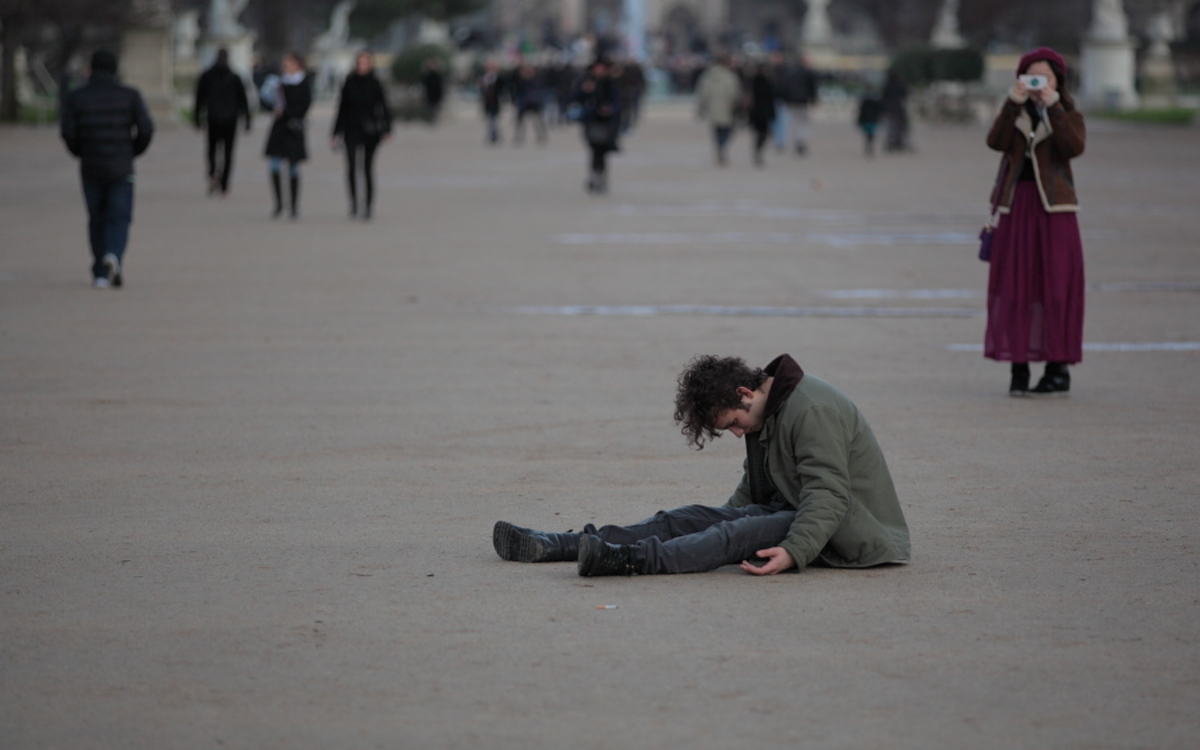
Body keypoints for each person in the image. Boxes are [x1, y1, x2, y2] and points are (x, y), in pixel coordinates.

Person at [493, 354, 911, 577]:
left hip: (848, 531)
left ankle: (627, 560)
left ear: (745, 392)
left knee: (734, 533)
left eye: (732, 424)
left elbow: (829, 494)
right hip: (799, 511)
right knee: (687, 518)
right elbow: (756, 488)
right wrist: (715, 520)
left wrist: (793, 551)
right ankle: (562, 544)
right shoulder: (769, 409)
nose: (735, 434)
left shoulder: (811, 408)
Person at [984, 47, 1086, 397]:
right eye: (1031, 77)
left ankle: (1058, 369)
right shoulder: (1016, 112)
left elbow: (1073, 146)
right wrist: (1012, 104)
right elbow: (994, 142)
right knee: (1015, 289)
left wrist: (1053, 107)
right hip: (1017, 207)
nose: (1037, 84)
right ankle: (1018, 367)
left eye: (1046, 77)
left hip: (1055, 210)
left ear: (1058, 81)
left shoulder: (1067, 112)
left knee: (1057, 288)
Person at [60, 49, 154, 289]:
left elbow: (67, 131)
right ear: (115, 69)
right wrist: (132, 151)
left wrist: (80, 151)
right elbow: (146, 129)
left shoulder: (76, 96)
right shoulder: (130, 95)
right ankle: (114, 253)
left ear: (91, 68)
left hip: (91, 165)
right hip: (122, 166)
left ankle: (100, 273)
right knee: (120, 216)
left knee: (96, 217)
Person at [332, 50, 393, 220]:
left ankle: (368, 205)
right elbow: (342, 108)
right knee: (351, 166)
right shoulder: (349, 82)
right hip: (351, 129)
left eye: (366, 62)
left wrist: (387, 129)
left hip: (370, 131)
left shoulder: (375, 83)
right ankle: (353, 203)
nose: (362, 66)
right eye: (360, 62)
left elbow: (384, 107)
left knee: (367, 168)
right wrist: (335, 132)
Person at [193, 49, 251, 196]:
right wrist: (247, 120)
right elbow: (243, 101)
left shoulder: (206, 76)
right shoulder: (234, 77)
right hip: (230, 119)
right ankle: (224, 184)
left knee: (212, 149)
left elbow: (199, 99)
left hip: (213, 117)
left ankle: (213, 172)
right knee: (228, 152)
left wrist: (197, 118)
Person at [262, 51, 312, 220]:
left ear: (298, 64)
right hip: (279, 129)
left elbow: (304, 106)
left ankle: (294, 206)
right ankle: (278, 204)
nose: (286, 66)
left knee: (293, 168)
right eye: (285, 63)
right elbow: (267, 101)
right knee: (274, 166)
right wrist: (272, 108)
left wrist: (285, 112)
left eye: (289, 62)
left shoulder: (303, 83)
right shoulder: (277, 82)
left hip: (294, 129)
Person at [574, 58, 621, 195]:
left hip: (606, 122)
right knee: (594, 150)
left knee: (602, 152)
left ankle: (600, 177)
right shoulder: (586, 82)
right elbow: (575, 98)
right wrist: (586, 91)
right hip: (591, 121)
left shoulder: (611, 83)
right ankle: (595, 177)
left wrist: (610, 109)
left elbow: (617, 102)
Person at [694, 54, 742, 166]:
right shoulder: (730, 77)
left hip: (714, 110)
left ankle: (720, 146)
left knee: (718, 131)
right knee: (727, 131)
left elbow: (702, 94)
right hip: (727, 109)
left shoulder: (708, 76)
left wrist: (701, 109)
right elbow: (735, 94)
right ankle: (722, 146)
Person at [779, 54, 818, 155]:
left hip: (791, 101)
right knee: (804, 123)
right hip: (802, 101)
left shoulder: (790, 72)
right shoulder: (807, 72)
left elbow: (784, 87)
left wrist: (785, 99)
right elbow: (812, 88)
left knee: (794, 123)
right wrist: (814, 100)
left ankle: (796, 141)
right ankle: (800, 141)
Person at [510, 61, 548, 145]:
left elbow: (542, 87)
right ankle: (519, 137)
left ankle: (541, 136)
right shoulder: (519, 80)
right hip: (523, 102)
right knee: (520, 122)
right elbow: (513, 86)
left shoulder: (537, 79)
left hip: (535, 102)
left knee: (538, 121)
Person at [746, 61, 776, 167]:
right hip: (763, 113)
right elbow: (771, 99)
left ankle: (757, 150)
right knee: (763, 134)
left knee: (759, 134)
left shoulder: (752, 81)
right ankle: (758, 150)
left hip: (755, 113)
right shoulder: (767, 82)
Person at [881, 67, 910, 153]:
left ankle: (893, 143)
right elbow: (905, 94)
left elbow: (883, 97)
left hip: (890, 108)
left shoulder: (887, 84)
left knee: (892, 127)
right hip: (898, 108)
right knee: (899, 127)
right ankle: (897, 142)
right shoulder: (900, 83)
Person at [856, 90, 883, 157]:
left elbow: (861, 112)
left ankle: (869, 145)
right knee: (871, 134)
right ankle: (870, 145)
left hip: (866, 120)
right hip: (872, 120)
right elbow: (880, 111)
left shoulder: (865, 102)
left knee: (868, 134)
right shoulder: (877, 102)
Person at [421, 57, 445, 124]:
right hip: (429, 94)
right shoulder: (428, 74)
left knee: (435, 107)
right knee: (430, 107)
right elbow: (424, 83)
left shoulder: (438, 74)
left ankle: (433, 120)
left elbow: (440, 85)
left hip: (436, 94)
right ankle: (430, 119)